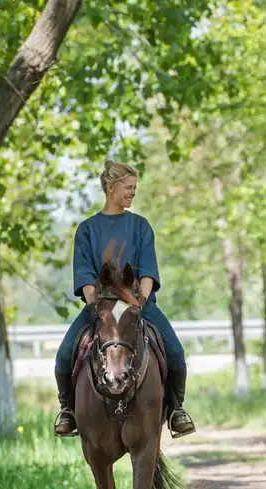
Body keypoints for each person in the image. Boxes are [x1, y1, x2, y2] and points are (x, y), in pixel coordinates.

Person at [52, 160, 196, 439]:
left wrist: (140, 300)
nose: (132, 193)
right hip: (101, 307)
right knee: (63, 356)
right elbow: (84, 275)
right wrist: (95, 303)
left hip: (137, 306)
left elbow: (148, 270)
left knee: (176, 353)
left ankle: (177, 410)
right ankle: (67, 410)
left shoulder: (141, 226)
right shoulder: (87, 230)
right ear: (111, 187)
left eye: (134, 188)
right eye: (128, 188)